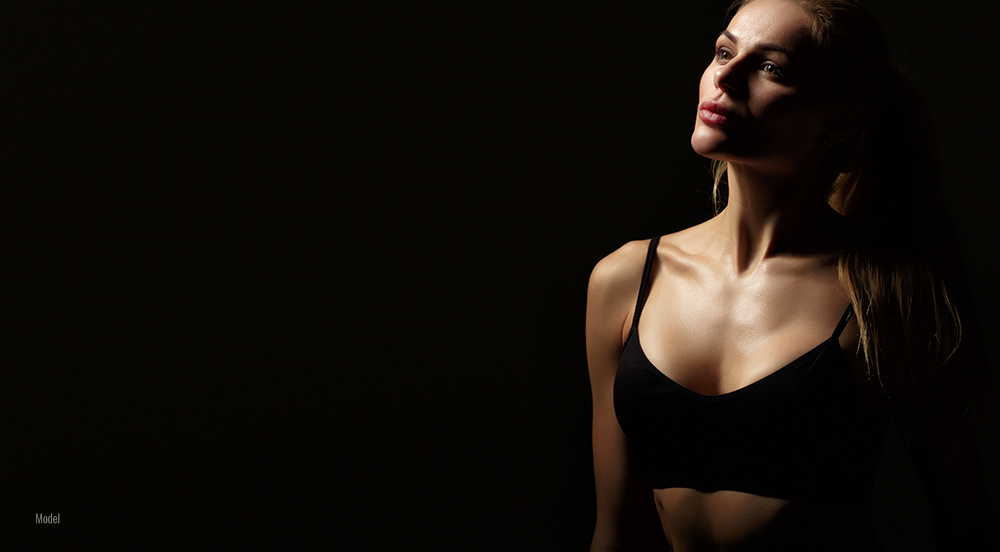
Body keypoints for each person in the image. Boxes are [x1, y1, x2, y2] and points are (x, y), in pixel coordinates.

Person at [585, 0, 999, 549]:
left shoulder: (889, 292)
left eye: (770, 68)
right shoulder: (624, 279)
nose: (724, 78)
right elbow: (616, 530)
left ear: (837, 123)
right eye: (724, 51)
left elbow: (965, 522)